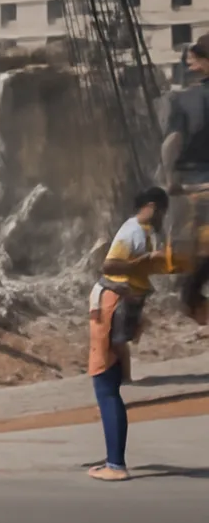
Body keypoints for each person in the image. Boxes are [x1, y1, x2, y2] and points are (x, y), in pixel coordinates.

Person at [87, 185, 170, 481]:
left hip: (112, 308)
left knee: (105, 388)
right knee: (111, 386)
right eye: (162, 210)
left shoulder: (137, 231)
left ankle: (115, 465)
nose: (163, 217)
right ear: (151, 206)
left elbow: (112, 265)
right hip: (118, 307)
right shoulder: (136, 231)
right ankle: (114, 460)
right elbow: (111, 264)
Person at [161, 36, 209, 324]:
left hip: (193, 188)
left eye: (192, 58)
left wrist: (170, 180)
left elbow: (171, 143)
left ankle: (192, 299)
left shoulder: (181, 99)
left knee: (189, 266)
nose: (188, 63)